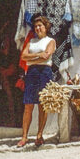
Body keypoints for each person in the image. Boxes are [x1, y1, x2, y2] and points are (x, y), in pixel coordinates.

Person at [18, 15, 55, 147]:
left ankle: (39, 135)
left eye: (40, 26)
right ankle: (24, 137)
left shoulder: (50, 41)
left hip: (44, 73)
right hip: (32, 73)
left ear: (46, 27)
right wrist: (39, 55)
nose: (38, 28)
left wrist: (31, 59)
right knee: (28, 105)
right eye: (36, 26)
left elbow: (47, 57)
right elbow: (23, 56)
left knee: (42, 105)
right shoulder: (31, 41)